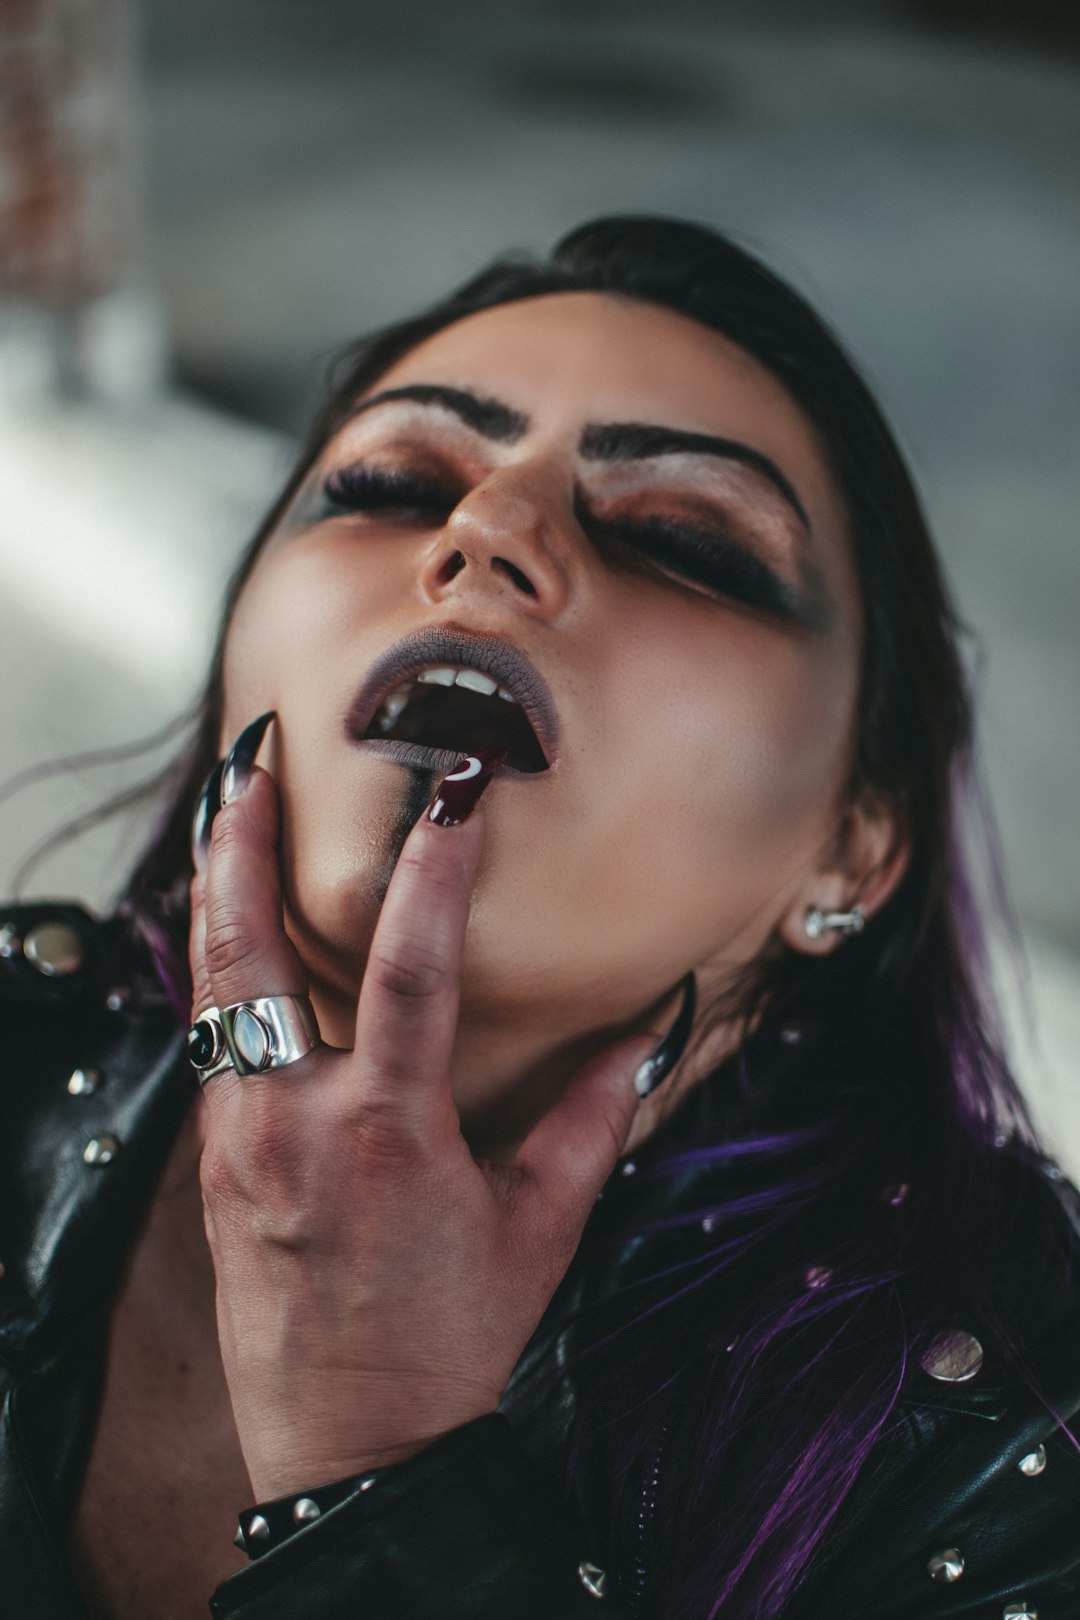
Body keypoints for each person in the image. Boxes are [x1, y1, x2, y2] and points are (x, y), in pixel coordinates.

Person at [2, 216, 1078, 1620]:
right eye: (389, 481)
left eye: (683, 540)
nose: (488, 531)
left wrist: (385, 1454)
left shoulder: (1013, 1435)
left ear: (855, 849)